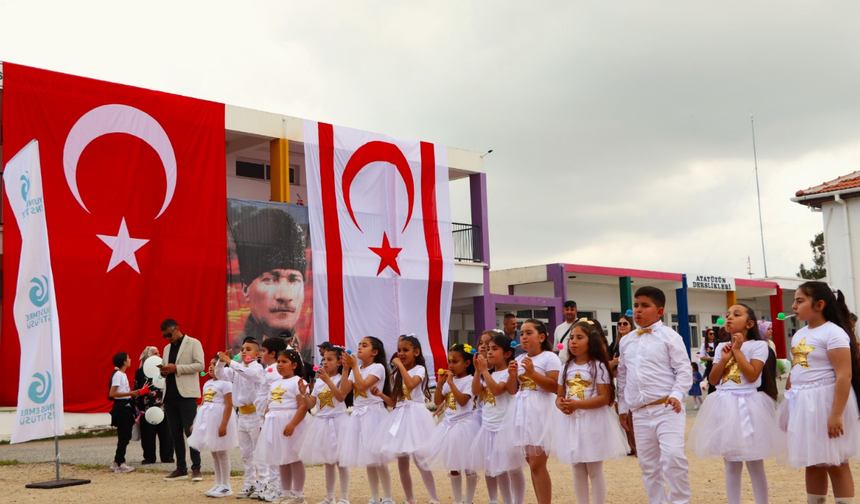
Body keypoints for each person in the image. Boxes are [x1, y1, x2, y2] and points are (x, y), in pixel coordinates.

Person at [688, 304, 782, 504]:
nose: (729, 318)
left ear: (749, 323)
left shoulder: (759, 345)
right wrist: (723, 359)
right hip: (723, 404)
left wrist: (738, 351)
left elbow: (752, 374)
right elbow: (713, 380)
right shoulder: (722, 346)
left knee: (755, 462)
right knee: (731, 462)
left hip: (749, 404)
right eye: (727, 315)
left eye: (736, 315)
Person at [778, 282, 860, 504]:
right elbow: (796, 371)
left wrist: (836, 414)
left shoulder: (833, 333)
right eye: (794, 300)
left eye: (800, 300)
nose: (793, 305)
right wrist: (788, 405)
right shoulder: (799, 334)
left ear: (819, 305)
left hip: (827, 403)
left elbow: (844, 376)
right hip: (803, 403)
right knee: (812, 461)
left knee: (836, 462)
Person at [616, 286, 692, 504]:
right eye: (636, 305)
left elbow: (684, 370)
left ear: (659, 311)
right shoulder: (626, 341)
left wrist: (677, 394)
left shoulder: (670, 337)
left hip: (667, 407)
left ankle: (680, 501)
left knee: (673, 457)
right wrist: (623, 408)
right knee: (648, 465)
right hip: (639, 412)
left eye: (645, 306)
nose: (638, 310)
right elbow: (622, 377)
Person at [554, 318, 629, 504]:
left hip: (592, 422)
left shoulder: (599, 366)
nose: (573, 341)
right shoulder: (565, 368)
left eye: (579, 337)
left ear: (591, 341)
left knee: (594, 469)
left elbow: (604, 398)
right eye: (571, 337)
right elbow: (559, 396)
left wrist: (577, 405)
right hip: (572, 422)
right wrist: (561, 404)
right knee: (577, 468)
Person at [232, 208, 308, 360]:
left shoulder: (306, 352)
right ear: (245, 288)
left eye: (293, 279)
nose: (285, 296)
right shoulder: (237, 352)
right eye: (270, 279)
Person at [499, 318, 561, 504]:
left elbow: (554, 386)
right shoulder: (519, 359)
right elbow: (512, 390)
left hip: (541, 410)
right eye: (522, 333)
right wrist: (511, 375)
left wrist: (532, 373)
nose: (524, 337)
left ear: (541, 337)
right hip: (522, 411)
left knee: (537, 463)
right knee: (531, 463)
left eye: (529, 333)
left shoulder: (550, 357)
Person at [372, 336, 439, 504]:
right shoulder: (397, 374)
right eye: (399, 350)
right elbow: (394, 402)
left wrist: (400, 366)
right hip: (400, 417)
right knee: (402, 462)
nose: (401, 353)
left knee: (420, 459)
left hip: (415, 416)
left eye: (405, 350)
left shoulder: (419, 370)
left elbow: (410, 385)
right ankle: (410, 499)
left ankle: (434, 498)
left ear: (416, 352)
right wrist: (380, 395)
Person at [469, 334, 526, 504]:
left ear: (507, 354)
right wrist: (478, 371)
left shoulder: (508, 373)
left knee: (514, 468)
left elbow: (497, 391)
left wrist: (485, 371)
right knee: (498, 468)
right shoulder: (489, 373)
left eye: (494, 349)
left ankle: (519, 501)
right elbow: (476, 391)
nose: (489, 353)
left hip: (505, 426)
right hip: (489, 426)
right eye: (488, 349)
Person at [420, 344, 479, 504]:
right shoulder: (448, 381)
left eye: (455, 361)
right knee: (453, 465)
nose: (451, 365)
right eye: (449, 361)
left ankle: (469, 500)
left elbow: (463, 400)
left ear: (467, 363)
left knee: (468, 466)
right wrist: (440, 384)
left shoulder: (469, 380)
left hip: (465, 425)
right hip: (449, 426)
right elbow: (438, 401)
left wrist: (451, 383)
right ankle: (458, 500)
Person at [340, 337, 394, 504]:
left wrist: (354, 367)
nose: (360, 348)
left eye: (365, 345)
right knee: (369, 461)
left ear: (375, 352)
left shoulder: (377, 368)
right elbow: (343, 391)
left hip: (374, 414)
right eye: (359, 345)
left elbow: (363, 386)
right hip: (359, 415)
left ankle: (388, 497)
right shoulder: (357, 368)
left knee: (379, 460)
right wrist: (345, 368)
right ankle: (375, 496)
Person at [297, 345, 352, 504]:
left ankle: (344, 497)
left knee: (341, 462)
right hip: (322, 422)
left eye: (330, 359)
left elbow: (341, 397)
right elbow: (311, 404)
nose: (325, 363)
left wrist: (328, 380)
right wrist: (303, 393)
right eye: (324, 359)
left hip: (338, 421)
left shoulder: (344, 379)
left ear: (339, 362)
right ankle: (329, 497)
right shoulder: (320, 382)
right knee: (328, 462)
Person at [256, 348, 311, 504]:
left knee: (294, 459)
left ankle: (299, 495)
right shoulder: (275, 383)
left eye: (284, 362)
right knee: (282, 459)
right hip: (275, 423)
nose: (280, 365)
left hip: (290, 422)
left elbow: (303, 406)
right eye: (278, 361)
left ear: (294, 365)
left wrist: (293, 424)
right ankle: (285, 493)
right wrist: (265, 424)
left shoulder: (298, 382)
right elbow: (270, 405)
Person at [215, 337, 265, 498]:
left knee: (259, 452)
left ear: (257, 354)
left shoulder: (257, 369)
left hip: (256, 414)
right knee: (245, 453)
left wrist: (230, 361)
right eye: (242, 349)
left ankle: (263, 483)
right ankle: (249, 483)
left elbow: (248, 374)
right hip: (242, 415)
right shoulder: (237, 368)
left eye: (248, 349)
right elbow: (219, 374)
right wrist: (221, 362)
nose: (243, 351)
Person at [159, 318, 206, 482]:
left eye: (169, 335)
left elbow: (200, 365)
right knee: (175, 434)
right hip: (170, 395)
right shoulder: (166, 348)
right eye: (164, 336)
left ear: (177, 328)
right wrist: (164, 371)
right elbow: (166, 368)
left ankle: (196, 468)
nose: (167, 338)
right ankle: (180, 468)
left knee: (190, 431)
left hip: (186, 394)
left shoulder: (193, 343)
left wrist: (176, 368)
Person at [188, 356, 239, 498]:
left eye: (215, 364)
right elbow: (203, 404)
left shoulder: (226, 384)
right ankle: (218, 483)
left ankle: (226, 485)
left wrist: (223, 424)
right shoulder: (207, 383)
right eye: (210, 364)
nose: (211, 367)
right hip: (208, 420)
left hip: (219, 420)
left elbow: (229, 405)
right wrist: (196, 423)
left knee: (221, 452)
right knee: (214, 452)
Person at [255, 337, 288, 502]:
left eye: (264, 351)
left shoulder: (275, 370)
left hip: (271, 415)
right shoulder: (270, 369)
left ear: (272, 353)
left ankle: (279, 487)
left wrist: (267, 410)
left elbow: (275, 393)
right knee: (272, 451)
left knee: (275, 453)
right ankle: (275, 485)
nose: (261, 354)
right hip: (266, 415)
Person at [134, 346, 174, 465]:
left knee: (166, 433)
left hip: (164, 406)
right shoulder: (140, 372)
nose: (158, 355)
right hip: (147, 407)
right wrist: (137, 404)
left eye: (158, 353)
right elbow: (136, 389)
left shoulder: (165, 369)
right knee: (147, 434)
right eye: (155, 353)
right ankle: (149, 457)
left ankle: (167, 456)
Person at [608, 313, 637, 456]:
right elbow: (606, 363)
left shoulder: (635, 342)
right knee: (623, 412)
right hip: (618, 379)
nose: (621, 326)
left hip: (633, 381)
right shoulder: (614, 345)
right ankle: (629, 445)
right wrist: (613, 365)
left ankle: (635, 445)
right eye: (619, 324)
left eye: (625, 323)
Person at [109, 351, 141, 474]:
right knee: (124, 436)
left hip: (126, 405)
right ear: (124, 362)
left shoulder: (122, 374)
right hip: (122, 406)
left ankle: (117, 461)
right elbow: (112, 393)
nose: (130, 359)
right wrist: (130, 394)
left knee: (125, 435)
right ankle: (119, 462)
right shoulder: (118, 375)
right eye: (128, 358)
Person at [555, 301, 578, 365]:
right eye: (567, 309)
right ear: (563, 311)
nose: (569, 312)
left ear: (576, 311)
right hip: (562, 364)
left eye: (572, 309)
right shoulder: (559, 328)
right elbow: (557, 348)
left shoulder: (581, 325)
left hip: (576, 363)